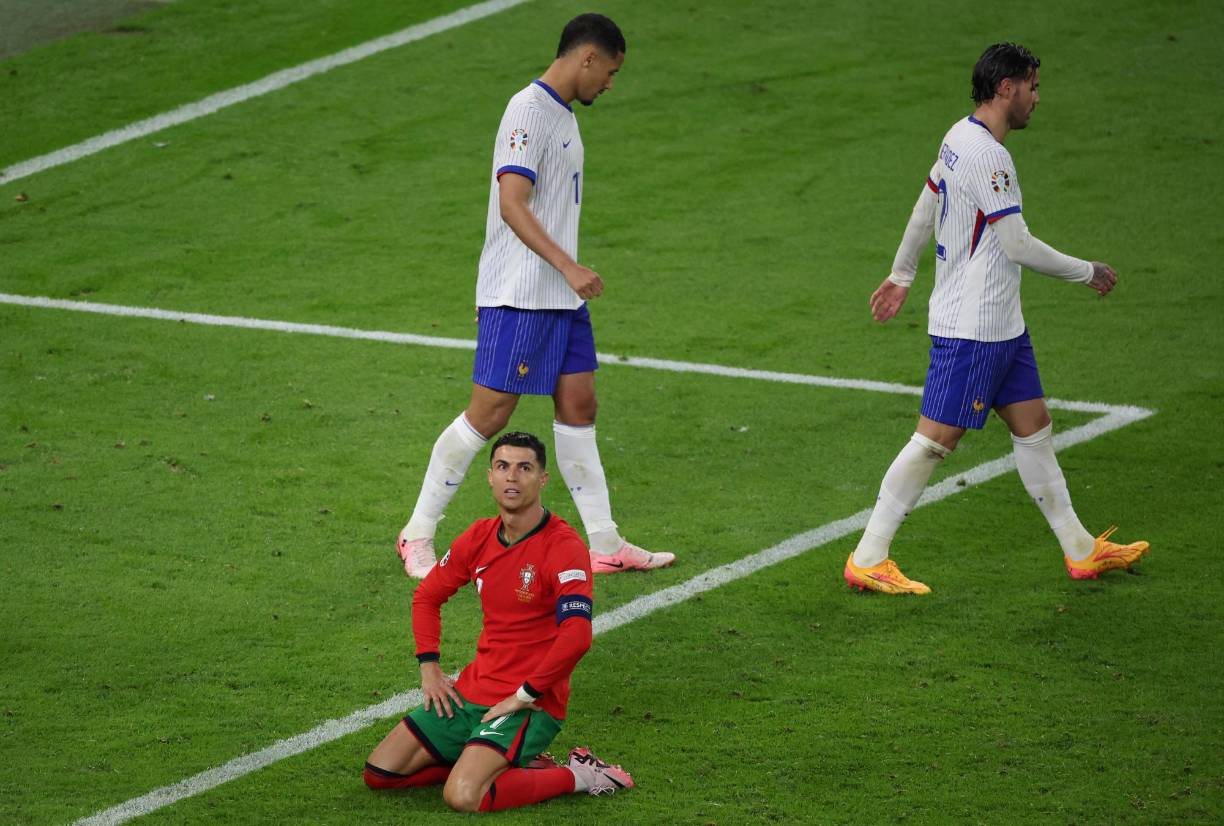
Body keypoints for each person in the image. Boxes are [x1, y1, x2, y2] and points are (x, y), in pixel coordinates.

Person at [844, 43, 1150, 595]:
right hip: (974, 329)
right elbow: (1017, 245)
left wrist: (902, 274)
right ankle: (869, 556)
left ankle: (1081, 550)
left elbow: (926, 203)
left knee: (1034, 428)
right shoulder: (989, 157)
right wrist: (1087, 272)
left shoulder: (957, 137)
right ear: (1006, 88)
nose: (1037, 98)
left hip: (1003, 326)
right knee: (935, 440)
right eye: (1033, 86)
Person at [396, 13, 674, 578]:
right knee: (488, 414)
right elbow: (512, 203)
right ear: (587, 57)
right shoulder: (527, 111)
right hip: (522, 294)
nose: (610, 84)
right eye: (610, 72)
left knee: (579, 405)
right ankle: (417, 533)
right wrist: (568, 266)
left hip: (560, 299)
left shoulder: (563, 115)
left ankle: (604, 542)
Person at [366, 431, 633, 811]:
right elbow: (427, 596)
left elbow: (577, 635)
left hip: (530, 701)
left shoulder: (563, 547)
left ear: (542, 479)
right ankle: (494, 762)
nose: (512, 477)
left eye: (524, 468)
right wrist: (429, 667)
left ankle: (582, 775)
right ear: (490, 476)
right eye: (503, 466)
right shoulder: (479, 536)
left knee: (463, 795)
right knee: (381, 774)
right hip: (473, 690)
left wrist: (524, 695)